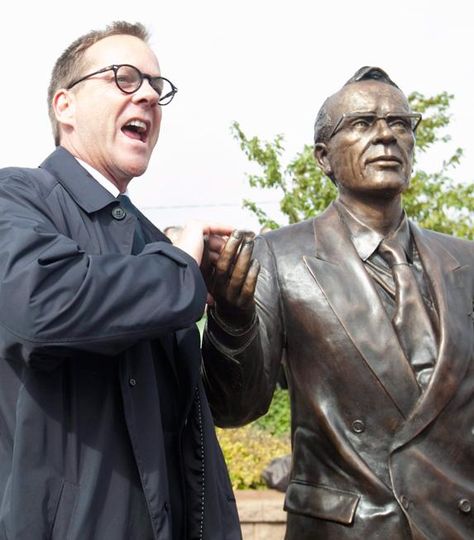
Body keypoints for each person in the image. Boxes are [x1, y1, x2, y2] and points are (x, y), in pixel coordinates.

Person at [202, 67, 474, 539]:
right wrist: (232, 317)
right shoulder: (278, 257)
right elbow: (233, 409)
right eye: (363, 123)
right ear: (324, 158)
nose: (386, 135)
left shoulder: (465, 262)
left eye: (400, 123)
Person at [0, 21, 241, 540]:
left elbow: (204, 414)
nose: (150, 96)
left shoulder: (157, 243)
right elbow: (40, 306)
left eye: (158, 86)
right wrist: (178, 267)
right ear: (64, 105)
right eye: (124, 78)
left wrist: (230, 313)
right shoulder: (16, 197)